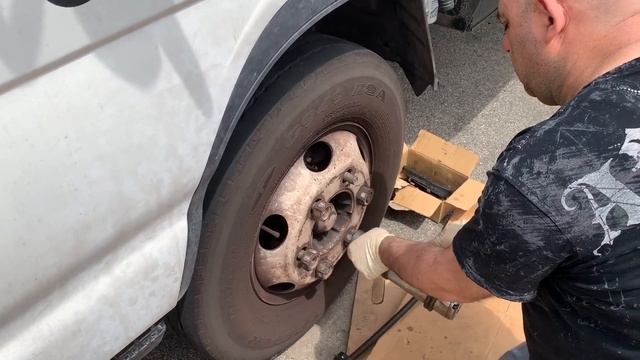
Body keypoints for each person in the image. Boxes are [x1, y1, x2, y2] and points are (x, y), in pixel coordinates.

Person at [347, 0, 640, 358]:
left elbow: (451, 280)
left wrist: (384, 248)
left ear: (551, 16)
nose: (503, 44)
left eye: (506, 25)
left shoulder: (548, 171)